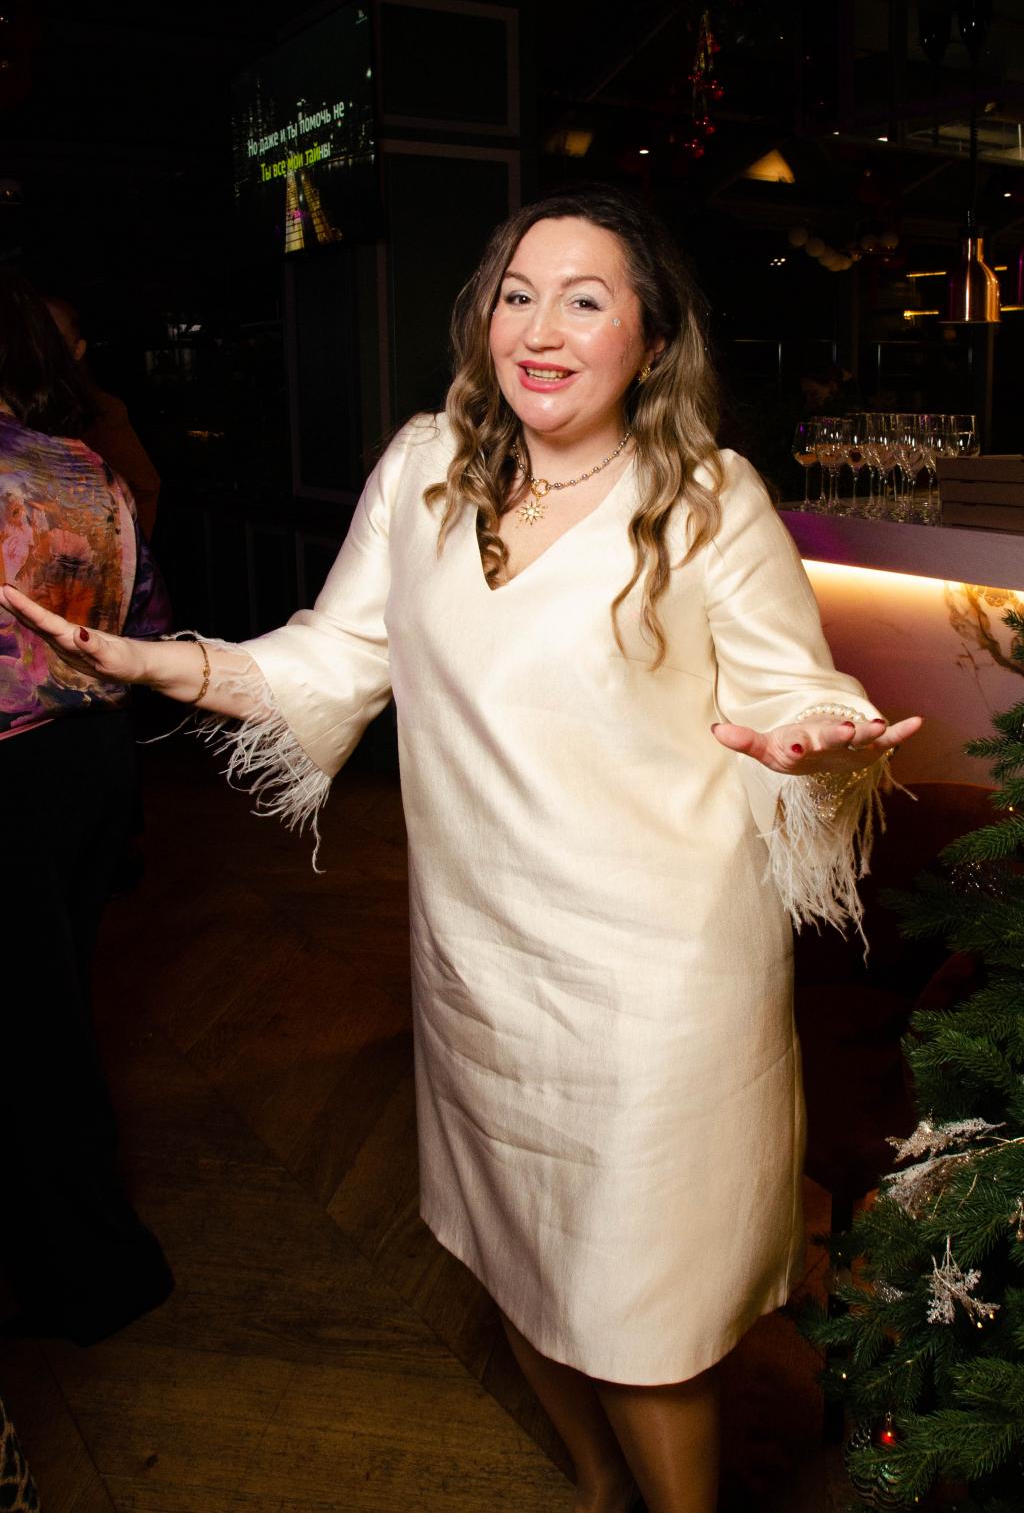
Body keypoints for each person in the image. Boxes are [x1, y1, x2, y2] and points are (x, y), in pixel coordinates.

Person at [1, 189, 922, 1513]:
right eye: (516, 295)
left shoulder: (706, 496)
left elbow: (793, 690)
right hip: (480, 957)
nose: (540, 329)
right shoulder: (424, 468)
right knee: (515, 1254)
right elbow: (330, 659)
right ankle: (599, 1487)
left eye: (585, 300)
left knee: (643, 1305)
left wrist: (816, 742)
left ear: (653, 339)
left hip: (660, 979)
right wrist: (148, 660)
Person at [0, 270, 174, 1345]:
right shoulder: (86, 466)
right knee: (50, 1019)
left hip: (12, 771)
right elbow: (145, 621)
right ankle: (81, 1260)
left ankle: (95, 1272)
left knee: (32, 1039)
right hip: (89, 763)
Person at [45, 294, 163, 539]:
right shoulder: (14, 411)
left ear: (78, 349)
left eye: (54, 339)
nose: (42, 350)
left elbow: (143, 489)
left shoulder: (100, 412)